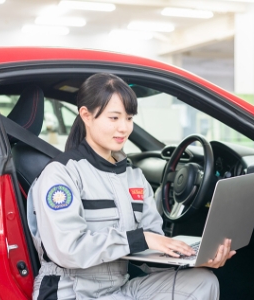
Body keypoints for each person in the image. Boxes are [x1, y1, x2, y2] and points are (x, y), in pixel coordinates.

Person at [27, 73, 235, 300]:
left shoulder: (134, 177)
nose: (124, 128)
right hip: (72, 292)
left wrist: (191, 259)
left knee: (202, 281)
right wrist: (139, 239)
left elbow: (152, 252)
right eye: (114, 118)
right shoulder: (62, 174)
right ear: (86, 116)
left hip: (118, 290)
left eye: (129, 118)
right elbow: (67, 249)